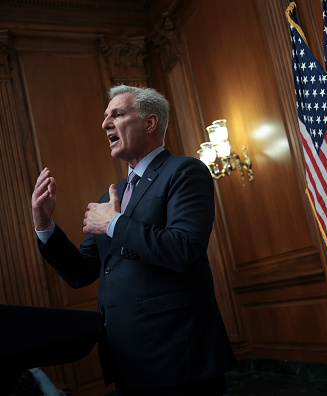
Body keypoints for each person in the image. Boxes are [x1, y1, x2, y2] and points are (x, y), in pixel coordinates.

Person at [31, 85, 237, 395]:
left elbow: (183, 249)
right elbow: (81, 271)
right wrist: (44, 224)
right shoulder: (110, 196)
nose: (105, 124)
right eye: (105, 117)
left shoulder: (184, 171)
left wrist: (114, 223)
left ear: (150, 123)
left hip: (177, 356)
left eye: (117, 114)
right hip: (124, 358)